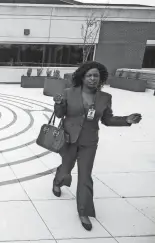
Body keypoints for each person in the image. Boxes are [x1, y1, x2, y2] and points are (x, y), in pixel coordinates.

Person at [52, 61, 142, 231]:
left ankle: (84, 211)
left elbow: (107, 119)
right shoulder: (68, 93)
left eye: (96, 76)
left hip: (89, 142)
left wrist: (126, 120)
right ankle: (58, 180)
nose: (93, 78)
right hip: (68, 139)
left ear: (100, 78)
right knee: (66, 168)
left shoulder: (105, 98)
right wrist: (59, 104)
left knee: (85, 176)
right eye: (89, 75)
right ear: (82, 77)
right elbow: (59, 115)